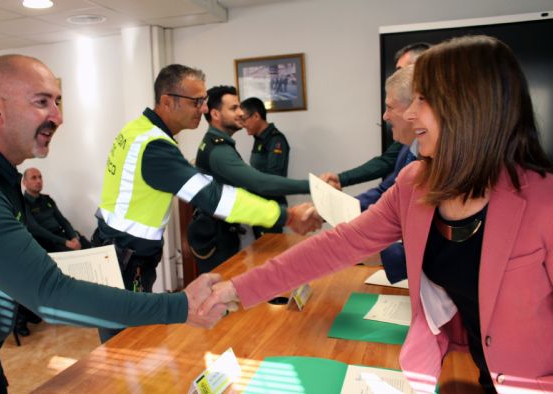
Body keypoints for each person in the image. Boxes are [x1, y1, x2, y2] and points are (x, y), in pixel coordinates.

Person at [201, 36, 553, 394]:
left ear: (470, 106)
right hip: (476, 370)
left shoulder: (545, 201)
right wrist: (237, 289)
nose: (410, 113)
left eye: (423, 99)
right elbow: (336, 246)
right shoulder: (415, 182)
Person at [0, 54, 228, 394]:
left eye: (58, 102)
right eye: (42, 102)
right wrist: (180, 306)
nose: (58, 117)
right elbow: (50, 295)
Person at [94, 65, 321, 342]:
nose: (203, 109)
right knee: (126, 342)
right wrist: (285, 215)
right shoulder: (154, 147)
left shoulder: (137, 131)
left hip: (119, 250)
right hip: (126, 257)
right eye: (196, 101)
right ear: (167, 100)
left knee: (125, 337)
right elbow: (215, 197)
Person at [188, 86, 309, 273]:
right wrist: (312, 186)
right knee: (223, 293)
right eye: (234, 108)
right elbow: (260, 182)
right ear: (215, 114)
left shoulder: (218, 144)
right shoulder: (219, 150)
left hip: (225, 229)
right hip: (217, 236)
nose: (241, 113)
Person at [321, 42, 430, 189]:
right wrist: (342, 179)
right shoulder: (408, 142)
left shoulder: (440, 146)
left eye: (401, 71)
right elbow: (388, 178)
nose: (385, 117)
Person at [355, 65, 416, 284]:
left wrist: (385, 253)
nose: (385, 116)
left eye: (390, 107)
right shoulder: (409, 147)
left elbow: (445, 251)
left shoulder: (450, 163)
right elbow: (387, 191)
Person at [240, 97, 295, 238]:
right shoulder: (259, 139)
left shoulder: (276, 140)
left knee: (271, 252)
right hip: (259, 205)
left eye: (244, 119)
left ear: (256, 116)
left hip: (271, 207)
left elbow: (273, 178)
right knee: (261, 251)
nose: (242, 124)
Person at [22, 167, 90, 253]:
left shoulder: (47, 199)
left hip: (61, 236)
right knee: (73, 252)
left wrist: (73, 237)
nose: (38, 181)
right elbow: (35, 229)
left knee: (87, 245)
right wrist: (65, 242)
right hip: (46, 242)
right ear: (24, 182)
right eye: (34, 178)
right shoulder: (23, 203)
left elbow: (63, 221)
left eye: (40, 177)